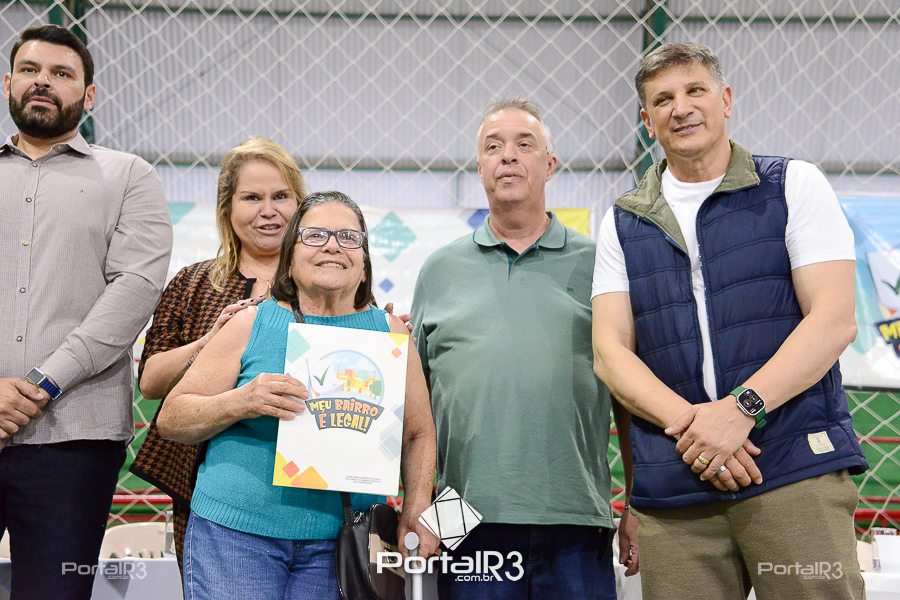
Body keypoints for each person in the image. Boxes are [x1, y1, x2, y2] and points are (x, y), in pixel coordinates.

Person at [591, 42, 867, 599]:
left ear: (726, 99)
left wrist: (742, 410)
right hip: (677, 488)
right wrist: (700, 430)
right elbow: (610, 353)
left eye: (695, 90)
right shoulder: (623, 222)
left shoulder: (793, 184)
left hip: (791, 470)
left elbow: (834, 319)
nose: (681, 108)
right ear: (647, 120)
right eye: (662, 100)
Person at [158, 191, 438, 599]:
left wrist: (417, 504)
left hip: (341, 544)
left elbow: (418, 433)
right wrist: (242, 401)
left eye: (348, 237)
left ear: (364, 265)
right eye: (315, 235)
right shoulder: (250, 323)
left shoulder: (391, 334)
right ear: (290, 258)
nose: (332, 246)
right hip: (235, 536)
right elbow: (172, 418)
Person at [410, 98, 631, 599]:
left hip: (577, 513)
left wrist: (636, 500)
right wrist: (419, 504)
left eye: (524, 144)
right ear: (479, 168)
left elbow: (628, 393)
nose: (507, 156)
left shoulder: (601, 263)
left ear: (550, 165)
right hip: (460, 517)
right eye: (493, 147)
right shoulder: (439, 270)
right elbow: (415, 411)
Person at [0, 24, 172, 600]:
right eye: (30, 70)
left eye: (61, 73)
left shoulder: (129, 176)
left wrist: (40, 383)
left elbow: (135, 290)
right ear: (8, 83)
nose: (43, 81)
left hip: (73, 439)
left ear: (89, 95)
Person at [130, 136, 307, 570]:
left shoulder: (327, 287)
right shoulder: (192, 284)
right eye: (252, 198)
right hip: (203, 489)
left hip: (309, 492)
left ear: (300, 206)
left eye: (280, 196)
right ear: (227, 209)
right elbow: (150, 382)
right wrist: (210, 342)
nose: (268, 210)